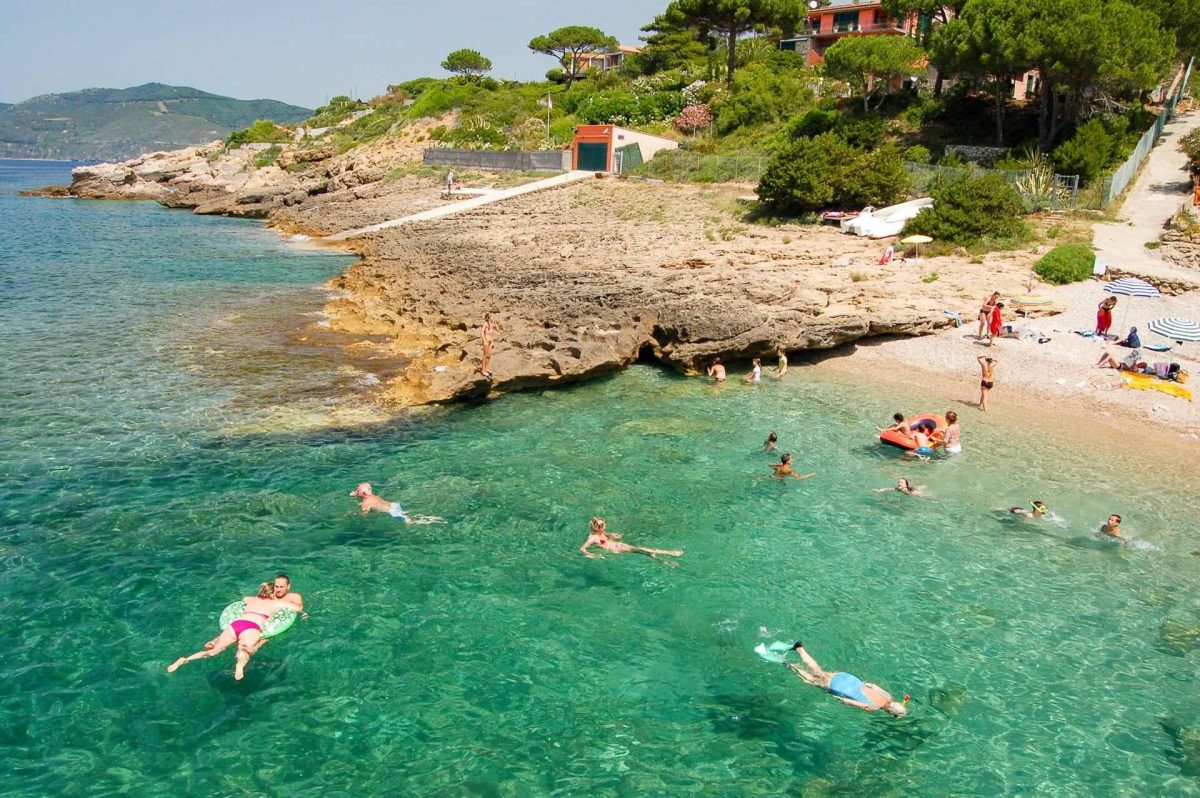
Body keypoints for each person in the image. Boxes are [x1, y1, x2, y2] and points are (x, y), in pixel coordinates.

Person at [168, 575, 306, 680]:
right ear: (272, 593)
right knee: (244, 651)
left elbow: (244, 599)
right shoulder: (276, 603)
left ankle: (185, 659)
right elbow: (297, 608)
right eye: (276, 588)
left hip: (236, 624)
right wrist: (303, 612)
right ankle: (239, 667)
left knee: (212, 652)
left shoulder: (252, 600)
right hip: (251, 627)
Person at [784, 642, 908, 717]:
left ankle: (800, 649)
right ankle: (789, 664)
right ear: (891, 713)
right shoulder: (873, 707)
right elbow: (849, 702)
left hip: (847, 678)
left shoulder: (888, 696)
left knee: (819, 671)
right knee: (810, 679)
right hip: (838, 687)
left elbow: (872, 685)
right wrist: (836, 697)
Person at [580, 517, 682, 565]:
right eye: (604, 525)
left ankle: (663, 560)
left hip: (618, 545)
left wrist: (614, 535)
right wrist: (594, 555)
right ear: (599, 527)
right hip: (616, 549)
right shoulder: (592, 538)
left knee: (641, 551)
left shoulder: (601, 533)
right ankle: (669, 554)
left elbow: (608, 537)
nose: (605, 527)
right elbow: (582, 549)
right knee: (641, 550)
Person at [349, 482, 443, 524]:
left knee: (409, 521)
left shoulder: (366, 503)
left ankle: (431, 520)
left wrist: (354, 513)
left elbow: (364, 515)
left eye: (357, 490)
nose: (356, 492)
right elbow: (364, 493)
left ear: (362, 493)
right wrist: (356, 493)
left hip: (392, 511)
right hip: (394, 505)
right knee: (408, 515)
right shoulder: (373, 496)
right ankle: (430, 518)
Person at [477, 312, 501, 380]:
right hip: (486, 341)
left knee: (489, 355)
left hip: (491, 341)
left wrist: (495, 322)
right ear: (489, 318)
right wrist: (484, 340)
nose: (493, 318)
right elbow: (482, 332)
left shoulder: (492, 323)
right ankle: (483, 370)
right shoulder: (486, 323)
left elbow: (498, 329)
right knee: (485, 355)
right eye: (492, 317)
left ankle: (486, 368)